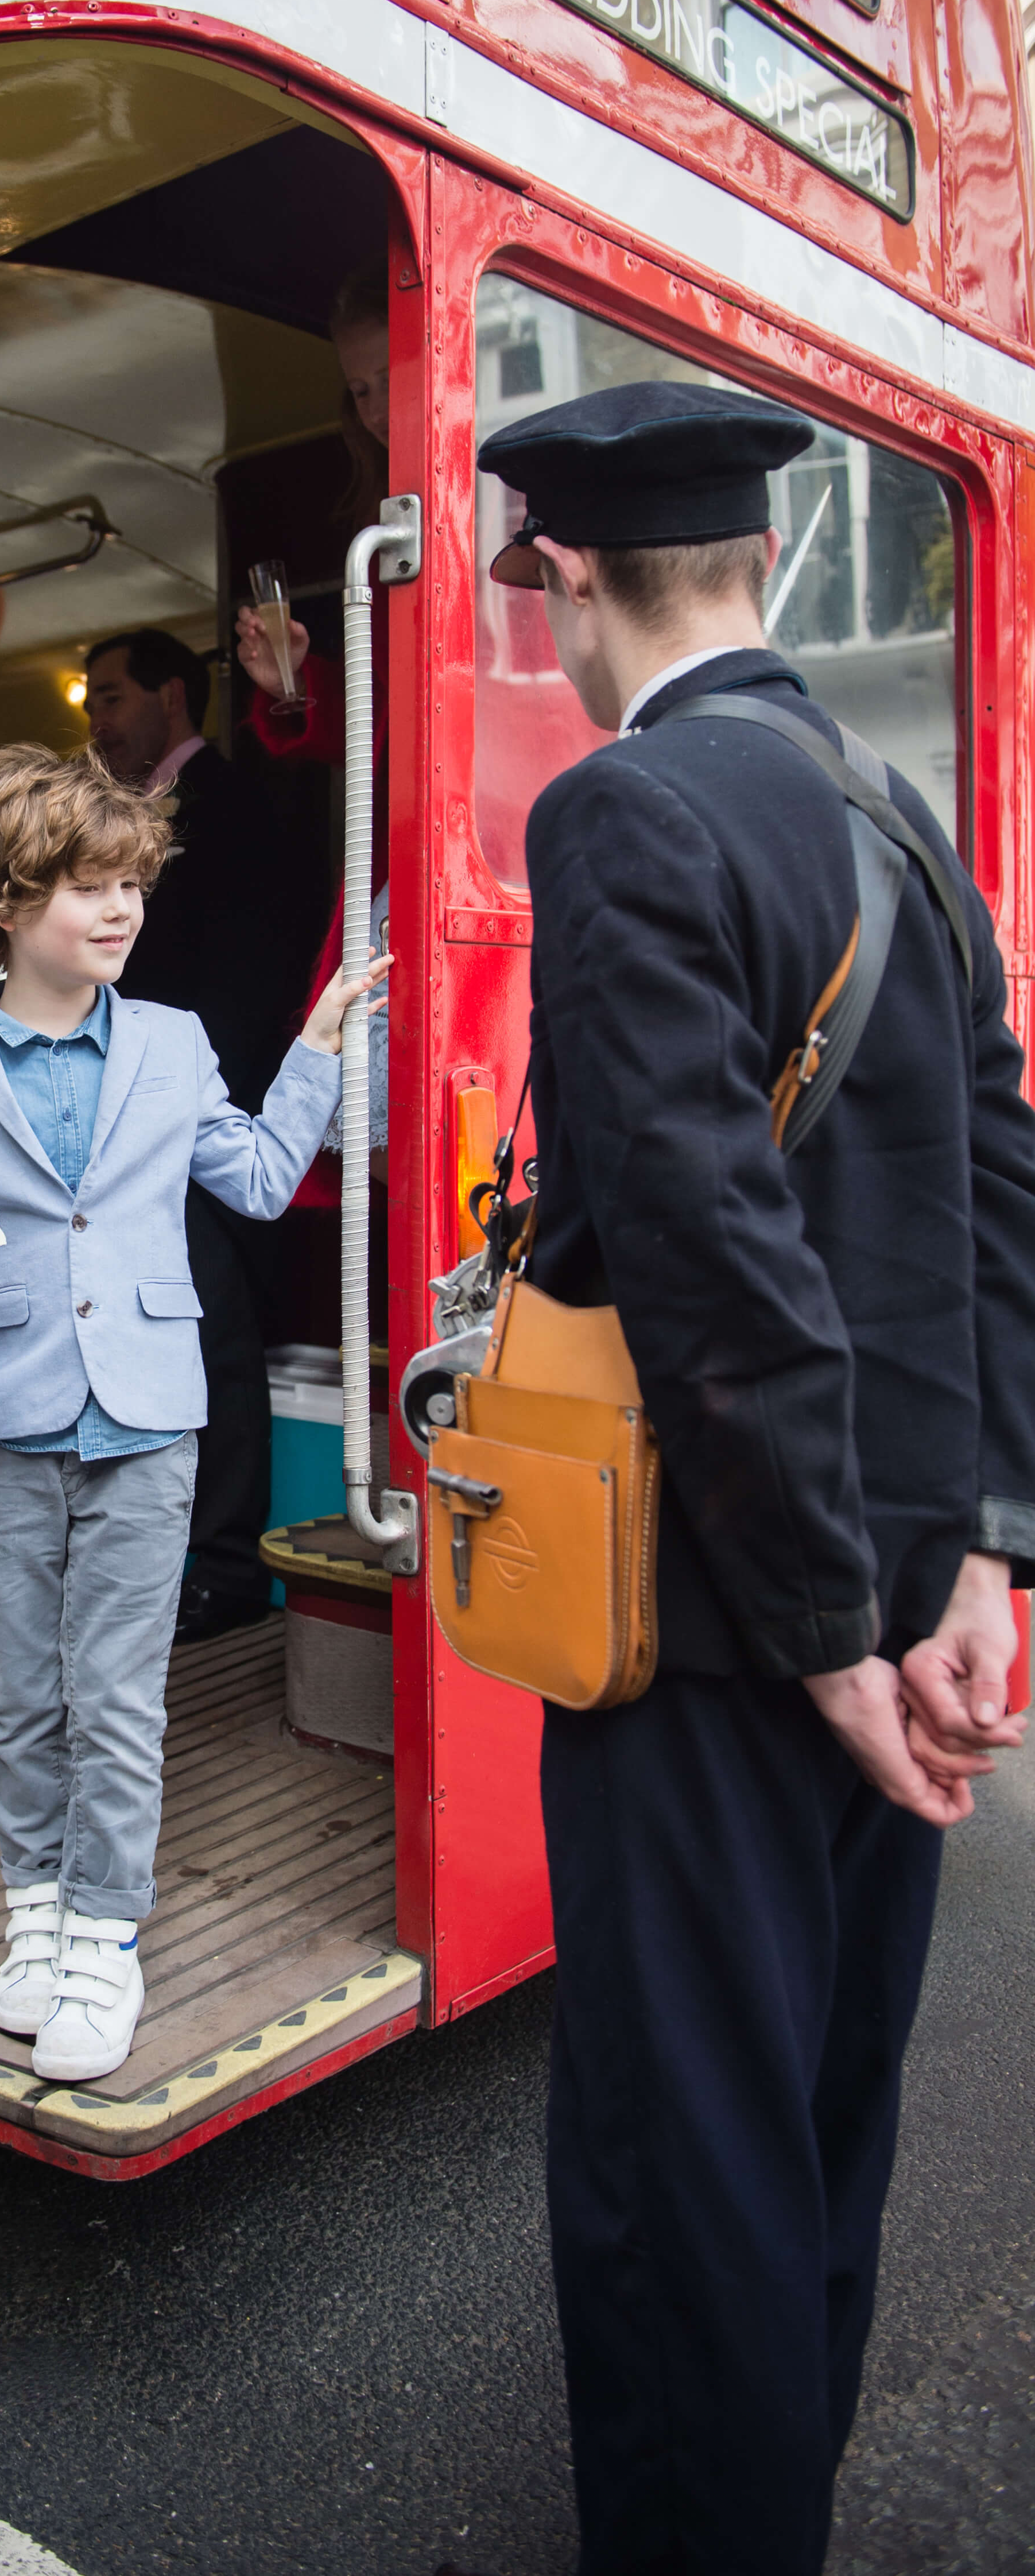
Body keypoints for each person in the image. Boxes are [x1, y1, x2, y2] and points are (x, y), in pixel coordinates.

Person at [468, 378, 1035, 2576]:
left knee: (673, 2162)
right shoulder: (901, 821)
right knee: (820, 2120)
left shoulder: (625, 816)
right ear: (773, 568)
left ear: (569, 582)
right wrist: (981, 1553)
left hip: (719, 1627)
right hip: (899, 1594)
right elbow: (998, 1194)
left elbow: (696, 1242)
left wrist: (813, 1637)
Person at [0, 745, 386, 2081]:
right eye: (84, 887)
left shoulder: (172, 1043)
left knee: (110, 1692)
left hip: (148, 1417)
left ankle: (103, 1931)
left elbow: (265, 1178)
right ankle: (31, 1915)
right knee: (18, 1693)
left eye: (128, 886)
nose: (117, 910)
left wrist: (318, 1046)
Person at [83, 629, 304, 1641]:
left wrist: (178, 1097)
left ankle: (223, 1564)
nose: (95, 718)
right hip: (136, 1104)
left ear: (174, 695)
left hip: (198, 1106)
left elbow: (247, 970)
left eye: (112, 697)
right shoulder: (137, 810)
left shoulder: (233, 802)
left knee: (216, 1339)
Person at [234, 258, 393, 1206]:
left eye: (386, 379)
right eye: (359, 387)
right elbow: (378, 729)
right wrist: (291, 686)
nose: (371, 407)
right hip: (390, 862)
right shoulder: (383, 520)